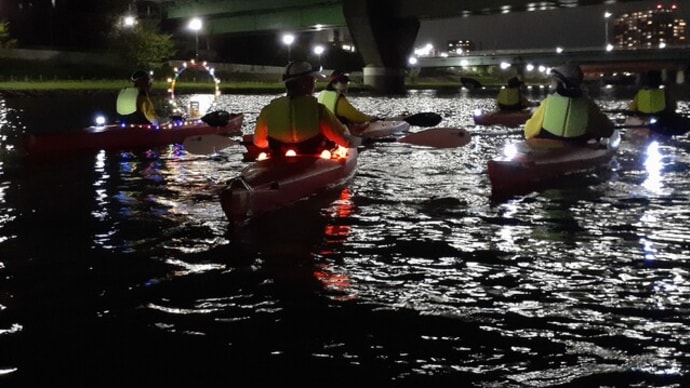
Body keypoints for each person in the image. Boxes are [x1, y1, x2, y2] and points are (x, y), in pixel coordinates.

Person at [253, 61, 361, 155]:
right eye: (313, 81)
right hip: (313, 162)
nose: (315, 85)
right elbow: (346, 141)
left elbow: (259, 142)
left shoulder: (268, 110)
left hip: (278, 160)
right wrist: (362, 140)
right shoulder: (319, 110)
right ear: (305, 83)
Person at [523, 64, 614, 143]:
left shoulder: (547, 103)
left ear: (561, 83)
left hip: (550, 143)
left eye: (554, 81)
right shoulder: (588, 105)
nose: (552, 84)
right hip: (578, 143)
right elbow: (608, 130)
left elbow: (528, 131)